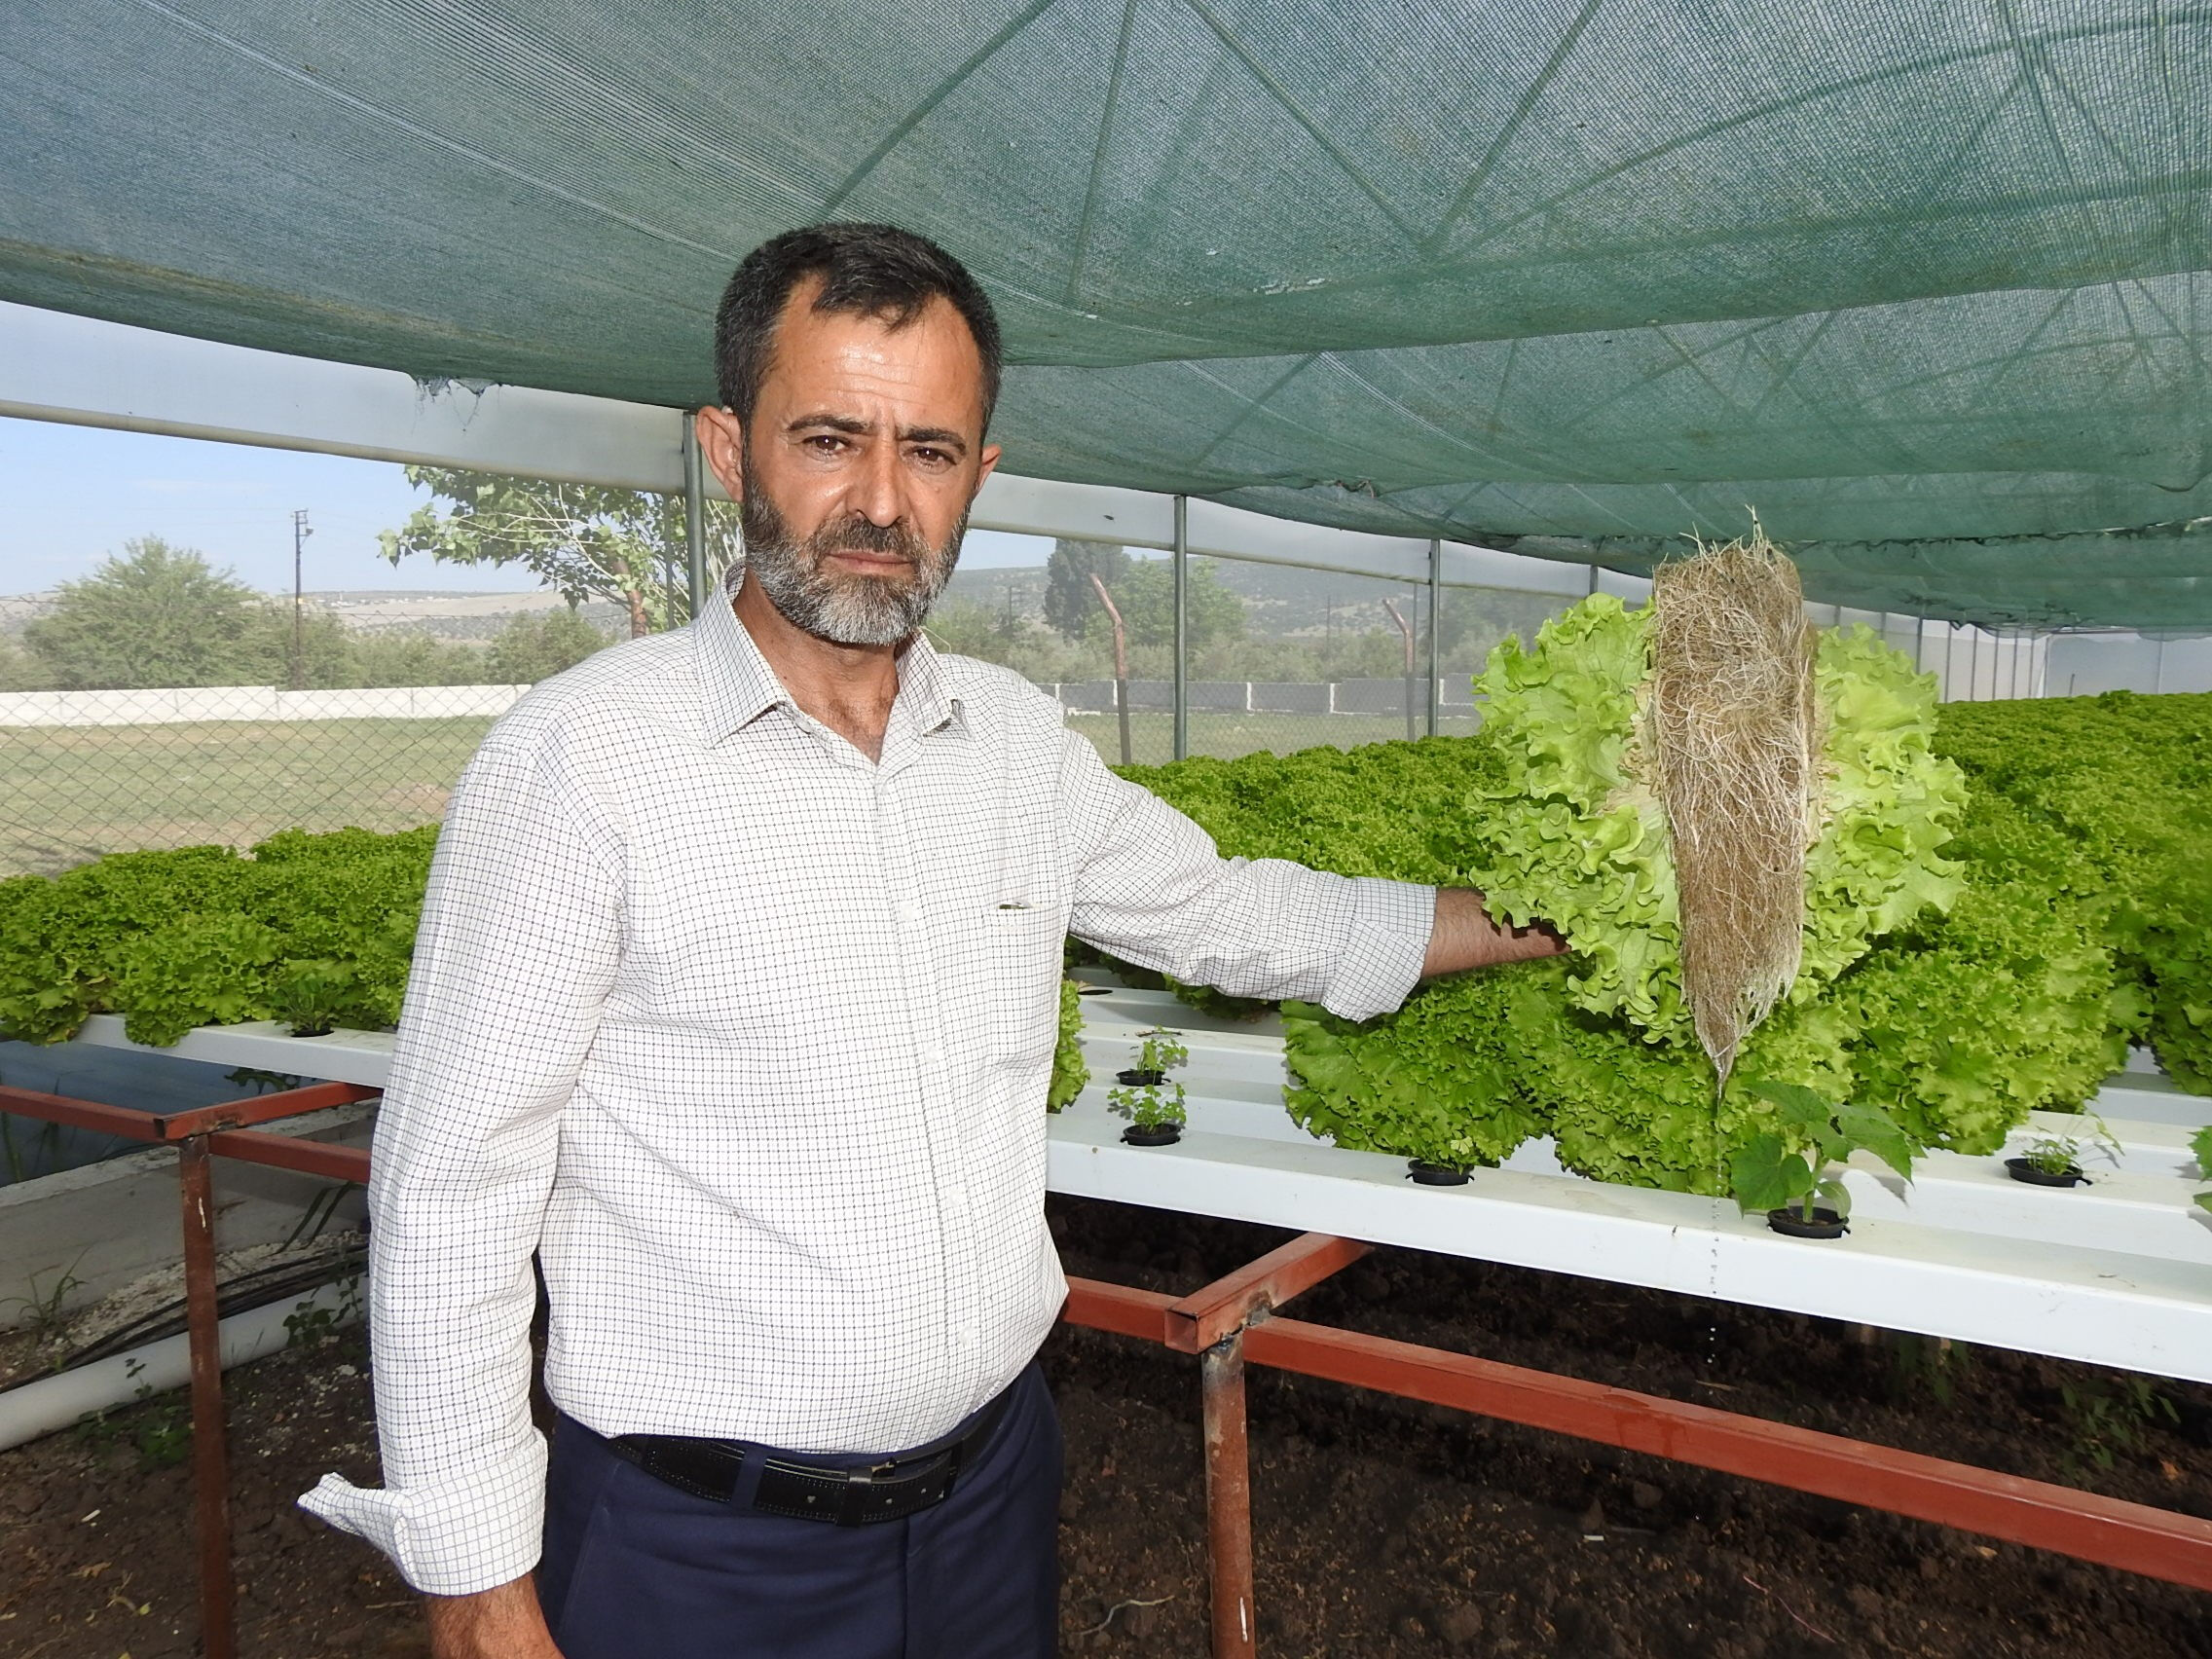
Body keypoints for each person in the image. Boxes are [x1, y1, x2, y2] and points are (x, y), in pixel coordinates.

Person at [303, 222, 1567, 1659]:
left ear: (984, 476)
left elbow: (1230, 912)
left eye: (932, 451)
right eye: (830, 438)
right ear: (730, 448)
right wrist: (476, 1580)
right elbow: (453, 1179)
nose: (879, 503)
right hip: (699, 1548)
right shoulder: (586, 760)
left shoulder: (1018, 746)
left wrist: (1547, 920)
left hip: (989, 1502)